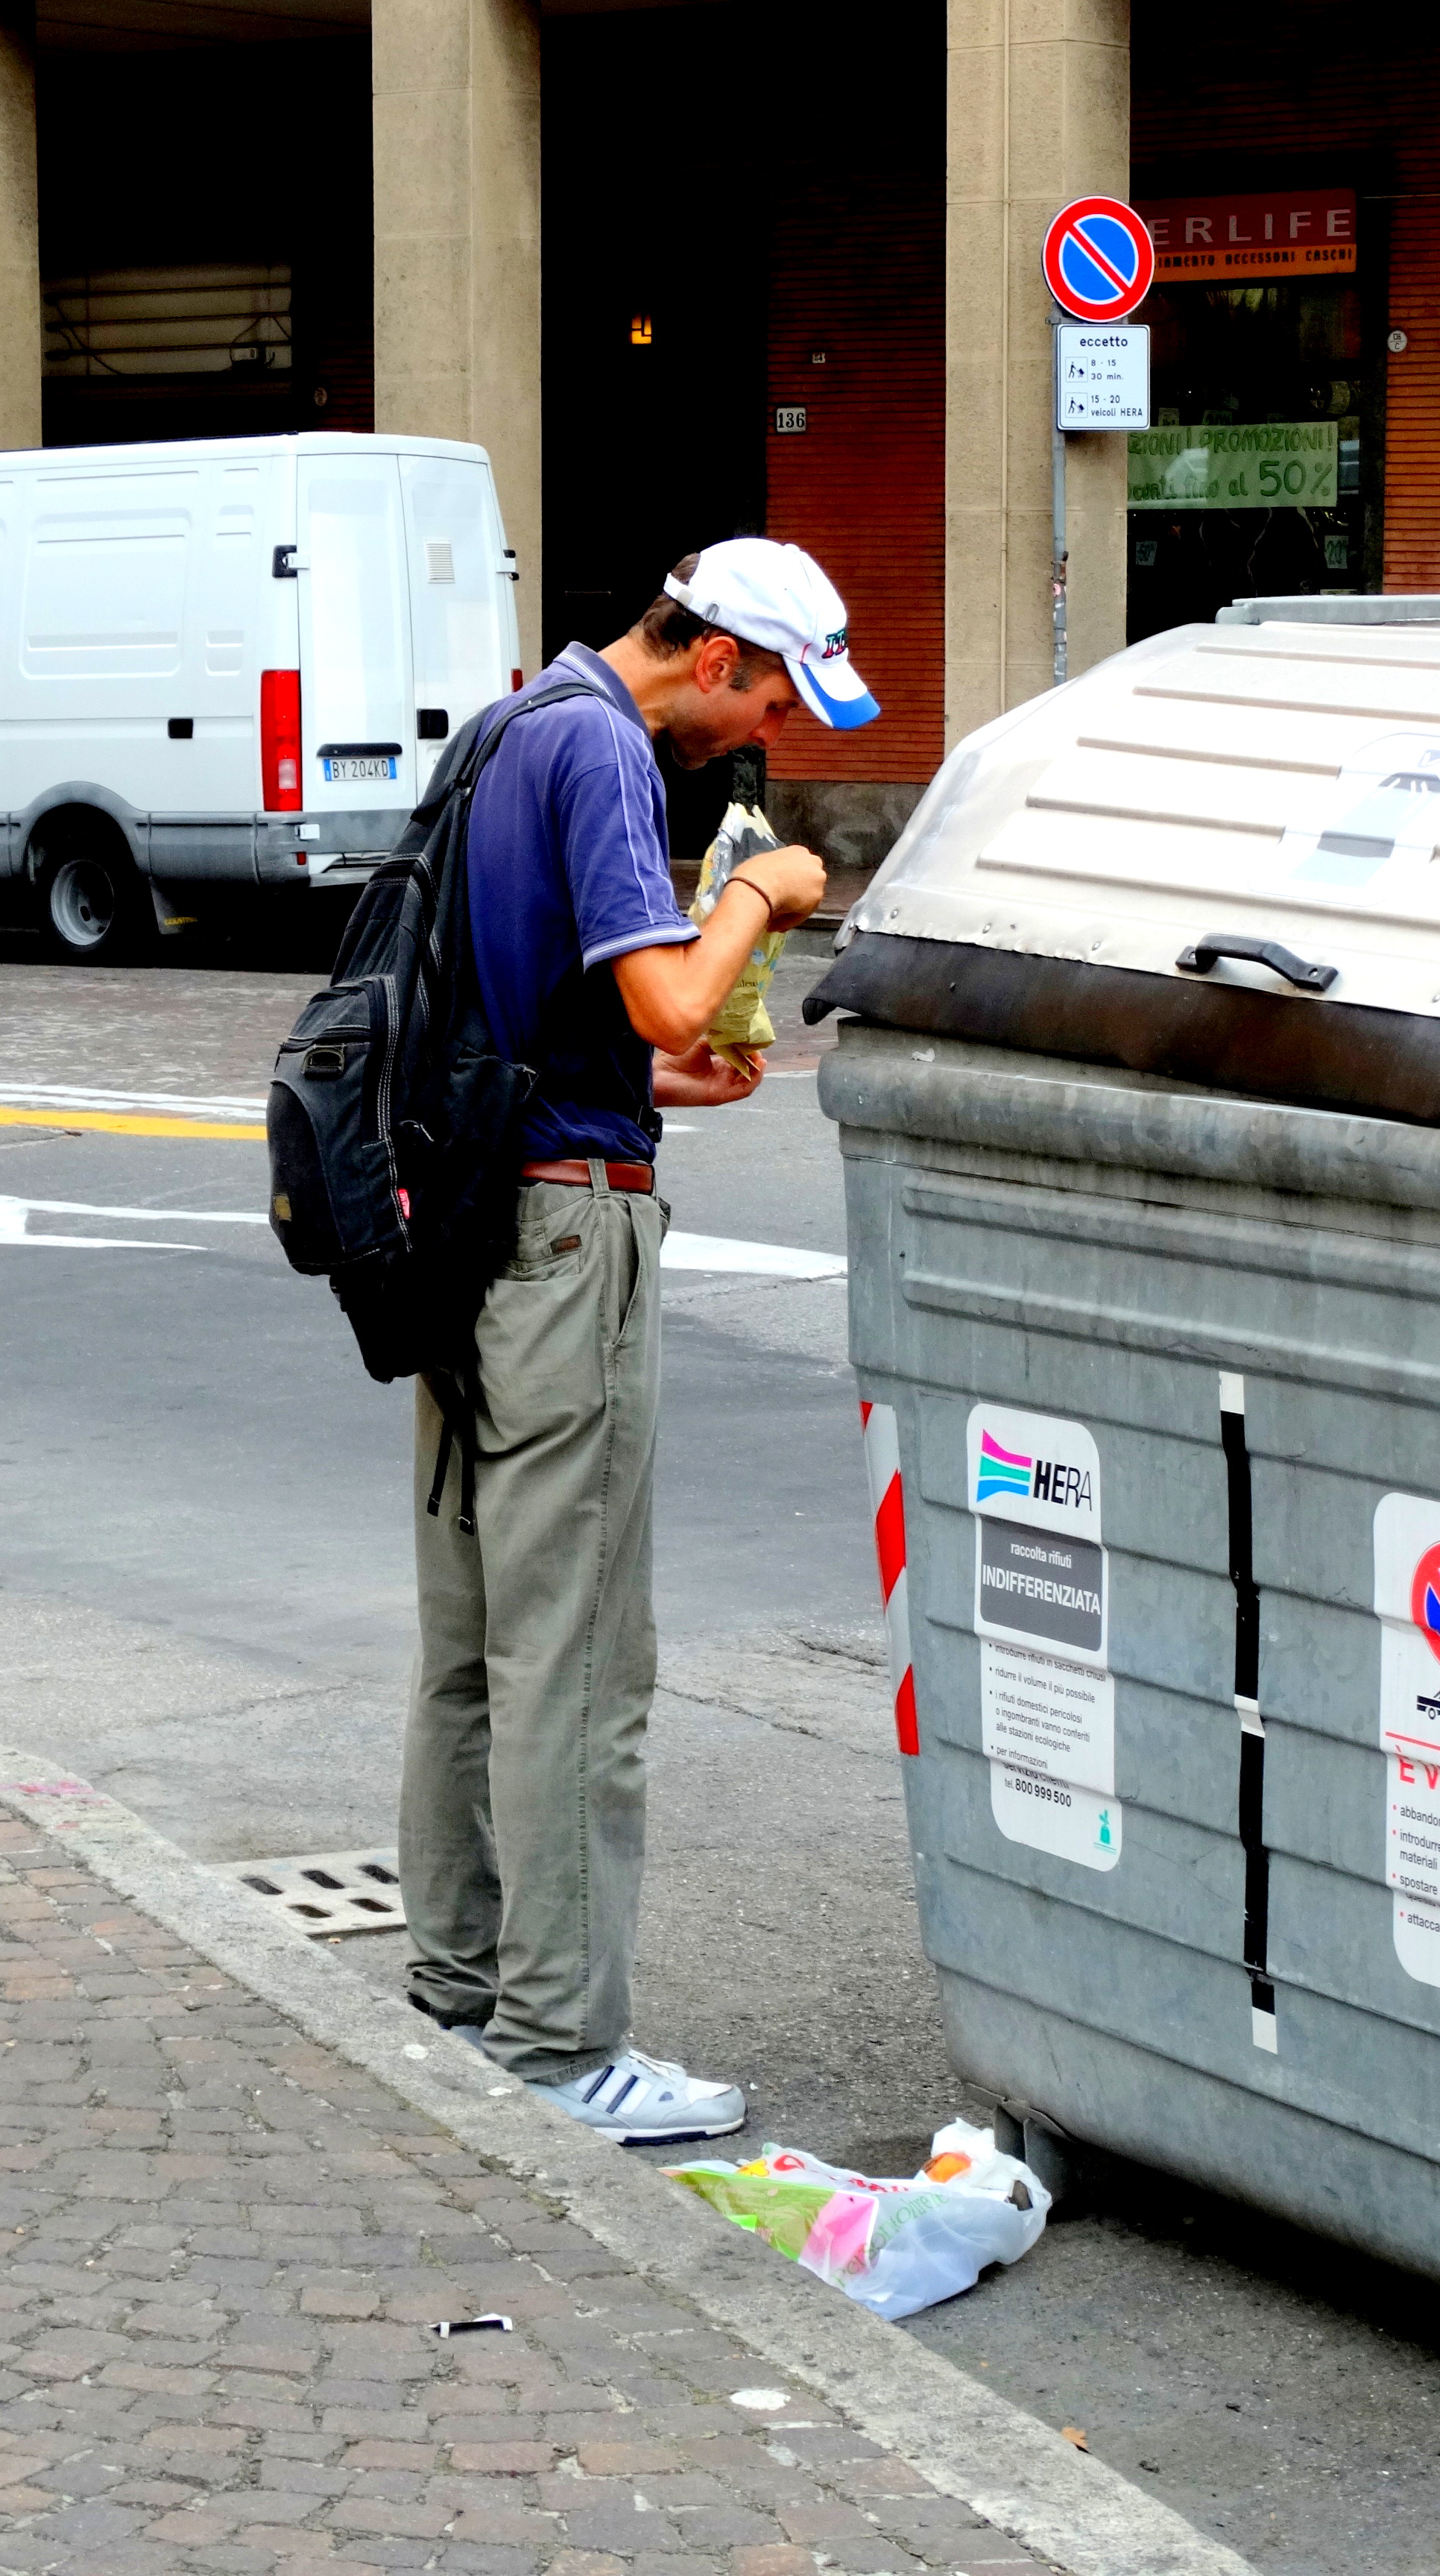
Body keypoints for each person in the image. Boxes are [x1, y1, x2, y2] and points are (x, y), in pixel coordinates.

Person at [396, 540, 879, 2143]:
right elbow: (670, 997)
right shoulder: (605, 748)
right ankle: (559, 2046)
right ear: (718, 654)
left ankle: (459, 1986)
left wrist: (653, 1087)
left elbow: (518, 1017)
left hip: (465, 1223)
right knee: (581, 1655)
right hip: (560, 1242)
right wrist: (757, 893)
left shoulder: (507, 726)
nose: (765, 736)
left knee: (474, 1638)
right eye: (773, 702)